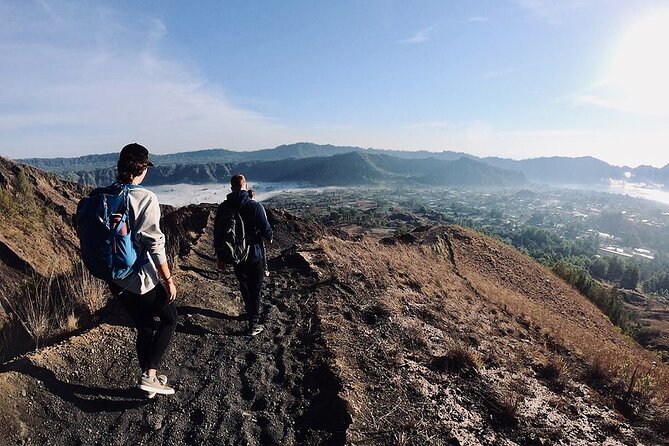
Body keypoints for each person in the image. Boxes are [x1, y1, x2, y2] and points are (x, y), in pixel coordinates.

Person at [108, 143, 178, 397]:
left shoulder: (103, 196)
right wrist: (168, 279)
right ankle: (150, 376)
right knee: (170, 318)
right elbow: (155, 244)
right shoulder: (145, 198)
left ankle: (148, 382)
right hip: (139, 279)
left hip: (114, 278)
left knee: (145, 325)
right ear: (143, 168)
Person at [215, 175, 272, 336]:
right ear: (245, 187)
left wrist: (220, 257)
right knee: (256, 288)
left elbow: (218, 234)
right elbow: (267, 232)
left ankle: (250, 313)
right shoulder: (255, 207)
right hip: (254, 253)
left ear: (232, 188)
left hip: (236, 255)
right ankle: (253, 324)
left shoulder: (224, 207)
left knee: (244, 285)